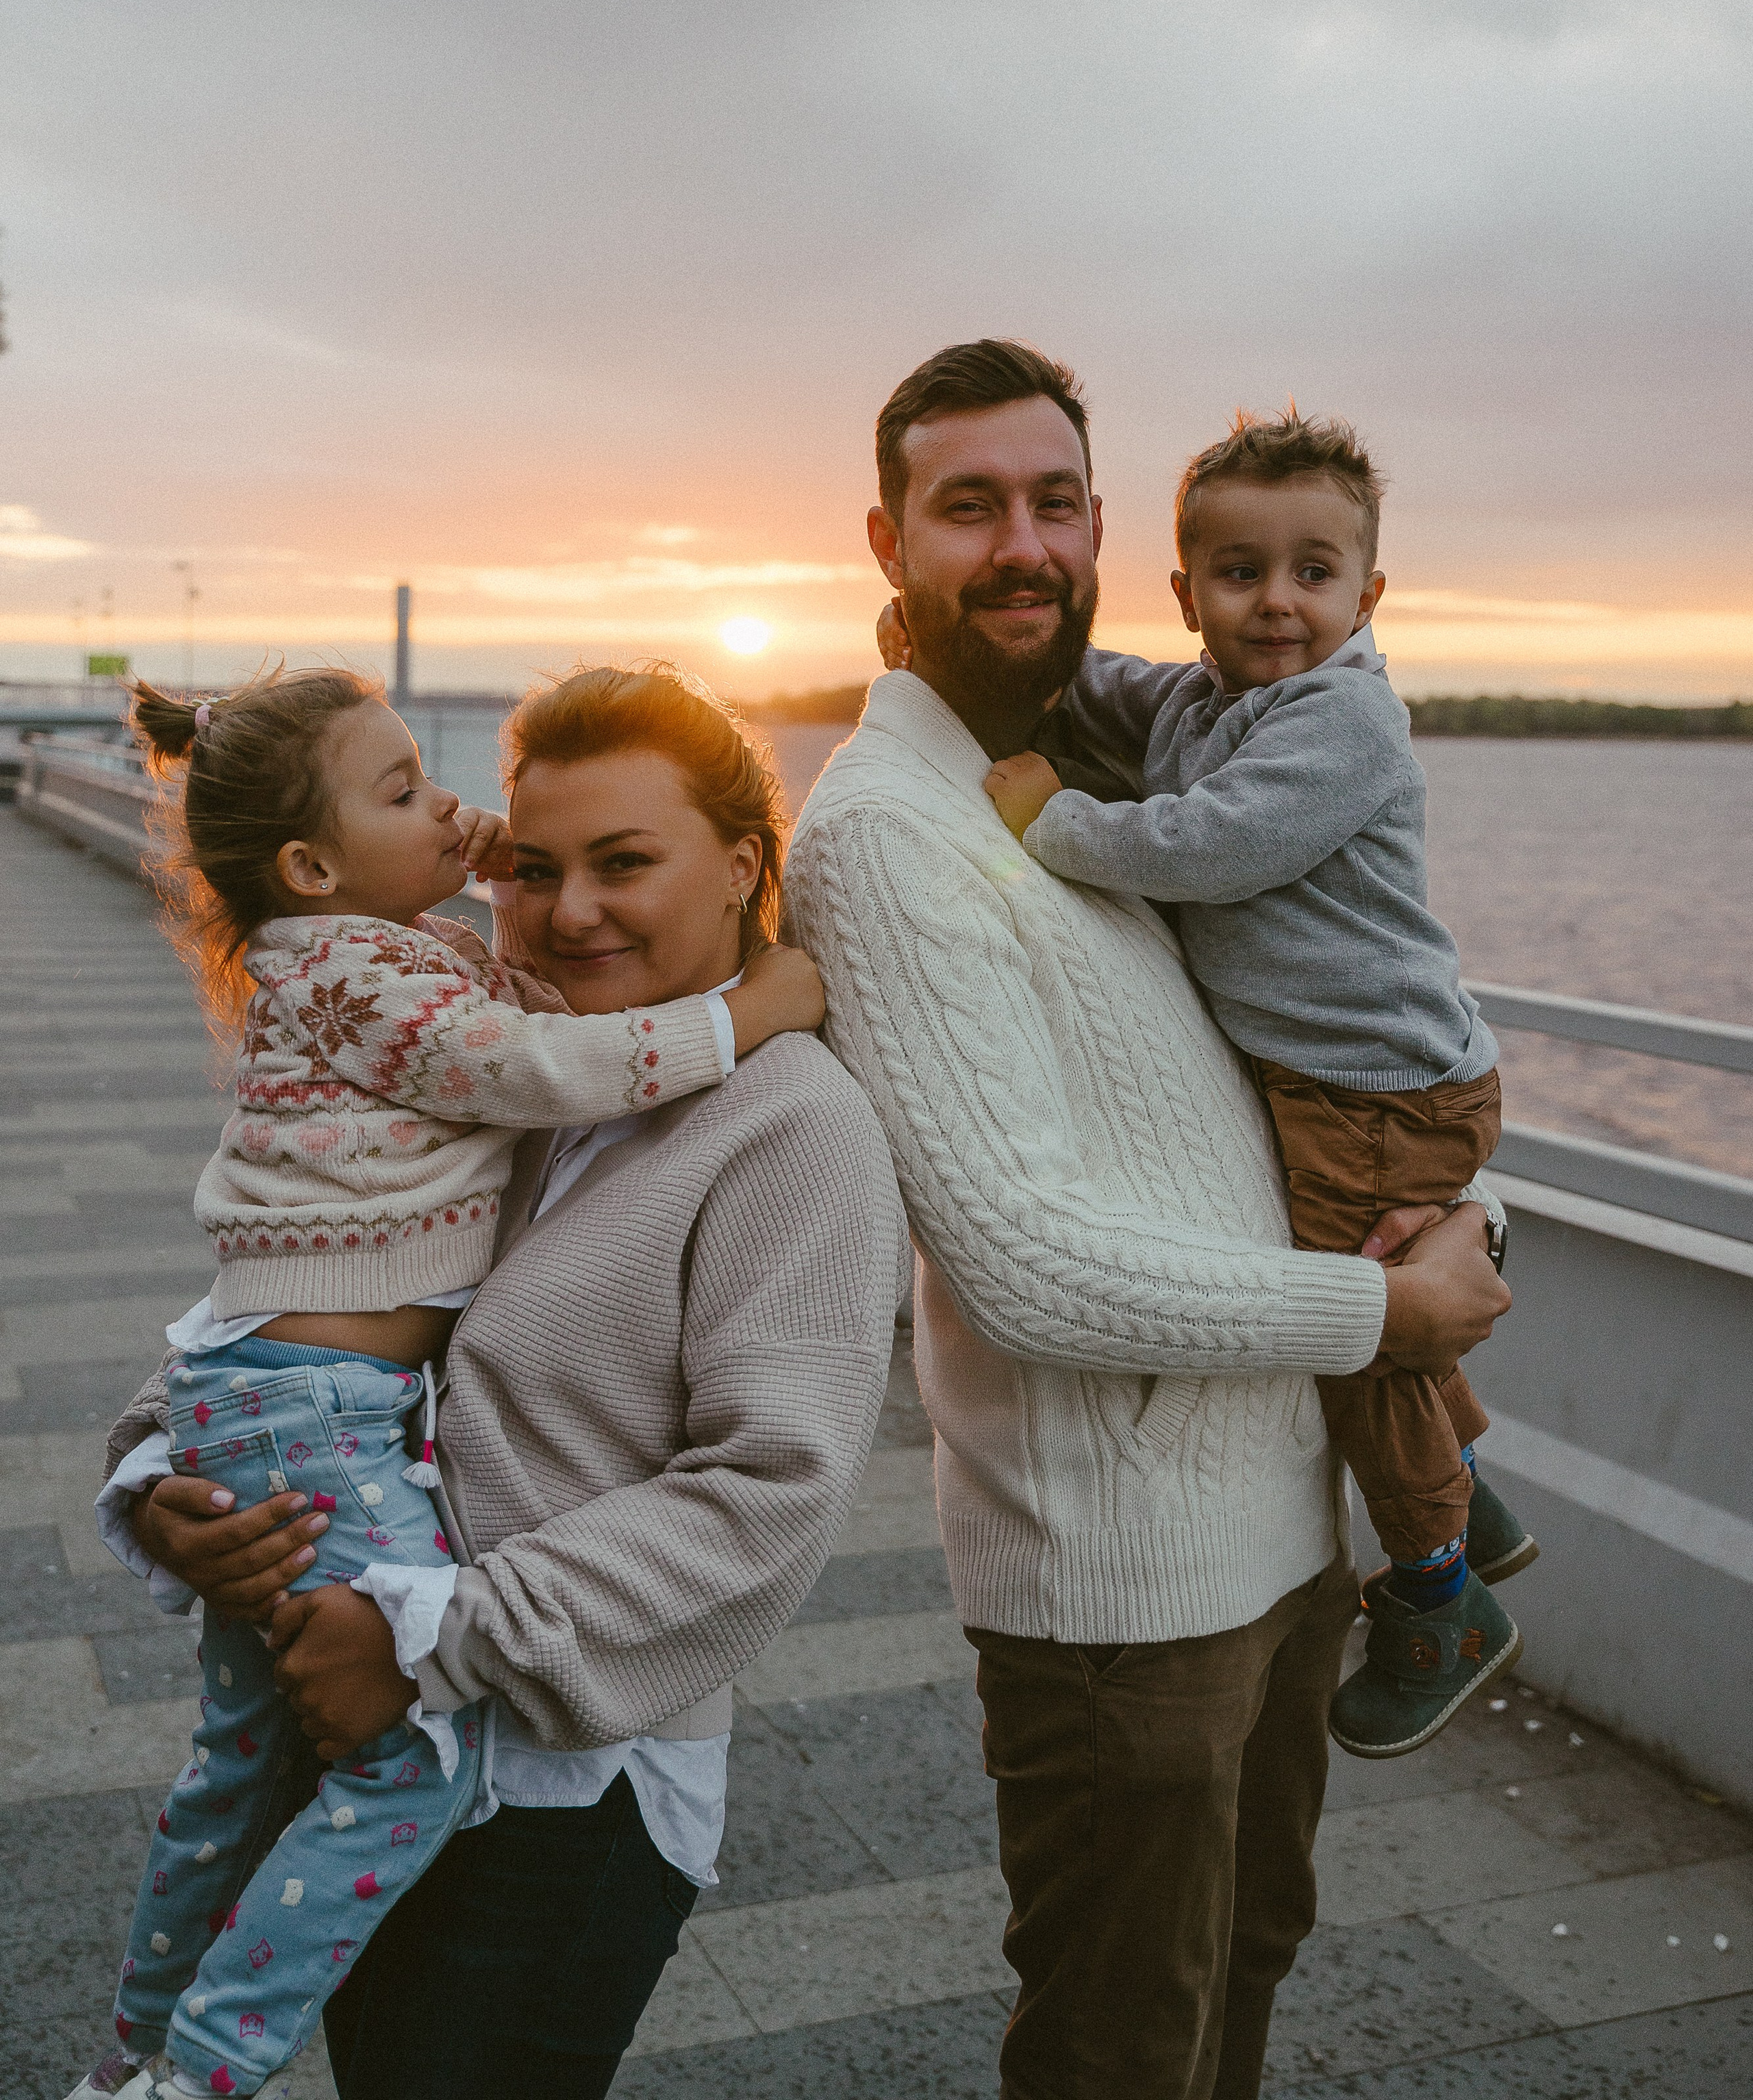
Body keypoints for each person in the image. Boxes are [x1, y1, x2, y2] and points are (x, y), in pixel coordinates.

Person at [783, 340, 1512, 2100]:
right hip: (1123, 1597)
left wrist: (1459, 1211)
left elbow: (1295, 1072)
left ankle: (1445, 1523)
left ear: (1106, 531)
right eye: (969, 508)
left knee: (1237, 1978)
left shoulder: (1088, 764)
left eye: (1050, 503)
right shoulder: (890, 831)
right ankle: (1454, 1530)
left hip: (1274, 1538)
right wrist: (1387, 1323)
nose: (1020, 545)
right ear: (886, 542)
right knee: (1126, 2037)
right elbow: (1024, 1264)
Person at [97, 664, 903, 2100]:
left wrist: (423, 1637)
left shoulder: (791, 1125)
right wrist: (166, 1480)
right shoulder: (504, 1050)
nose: (570, 909)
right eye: (534, 869)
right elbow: (319, 1275)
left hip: (560, 1787)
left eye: (624, 863)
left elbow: (761, 1499)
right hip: (362, 1736)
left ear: (741, 865)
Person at [979, 404, 1534, 1758]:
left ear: (1365, 593)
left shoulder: (1339, 725)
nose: (1274, 603)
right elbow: (1095, 680)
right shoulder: (1196, 696)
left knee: (1362, 1330)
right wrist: (971, 656)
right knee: (1369, 1302)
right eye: (1238, 573)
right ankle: (1469, 1487)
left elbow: (1207, 847)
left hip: (1379, 1089)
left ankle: (1437, 1591)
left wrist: (1045, 821)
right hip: (1341, 1082)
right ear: (1187, 590)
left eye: (1310, 573)